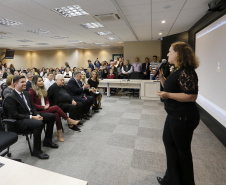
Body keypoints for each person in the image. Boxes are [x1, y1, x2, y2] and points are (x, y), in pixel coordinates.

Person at [156, 42, 200, 185]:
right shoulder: (178, 70)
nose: (167, 54)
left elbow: (191, 96)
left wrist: (167, 95)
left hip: (183, 117)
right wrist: (162, 79)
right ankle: (172, 179)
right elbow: (173, 88)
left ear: (178, 54)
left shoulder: (187, 71)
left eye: (170, 51)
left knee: (182, 152)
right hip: (174, 115)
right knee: (169, 142)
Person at [4, 75, 58, 160]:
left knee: (51, 116)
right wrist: (32, 117)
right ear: (15, 84)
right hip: (19, 121)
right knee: (38, 123)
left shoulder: (26, 93)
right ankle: (36, 150)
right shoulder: (10, 98)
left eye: (25, 81)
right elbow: (15, 115)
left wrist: (37, 115)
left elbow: (32, 108)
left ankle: (47, 140)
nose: (25, 83)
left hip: (30, 116)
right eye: (22, 82)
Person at [29, 76, 80, 142]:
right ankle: (69, 120)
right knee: (56, 107)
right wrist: (43, 107)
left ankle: (59, 133)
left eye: (42, 80)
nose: (41, 82)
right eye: (39, 81)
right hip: (38, 111)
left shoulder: (42, 89)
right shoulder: (32, 91)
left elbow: (47, 99)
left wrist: (47, 104)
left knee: (56, 114)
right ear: (35, 83)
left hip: (45, 108)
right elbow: (32, 105)